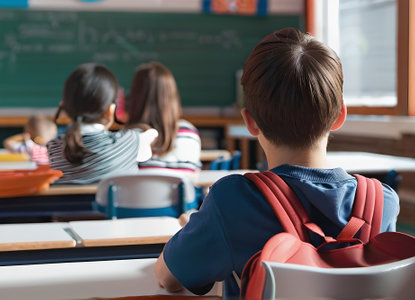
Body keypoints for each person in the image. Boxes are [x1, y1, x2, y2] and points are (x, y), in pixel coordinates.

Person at [154, 28, 400, 298]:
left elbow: (169, 278)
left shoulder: (233, 202)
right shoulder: (382, 203)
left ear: (249, 122)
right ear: (340, 115)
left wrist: (198, 225)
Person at [47, 63, 158, 184]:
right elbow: (150, 138)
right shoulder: (129, 142)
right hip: (114, 202)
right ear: (110, 111)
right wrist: (151, 132)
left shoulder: (53, 149)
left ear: (66, 107)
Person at [126, 62, 202, 172]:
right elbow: (194, 177)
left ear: (135, 97)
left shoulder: (128, 139)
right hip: (181, 189)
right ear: (173, 96)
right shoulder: (189, 133)